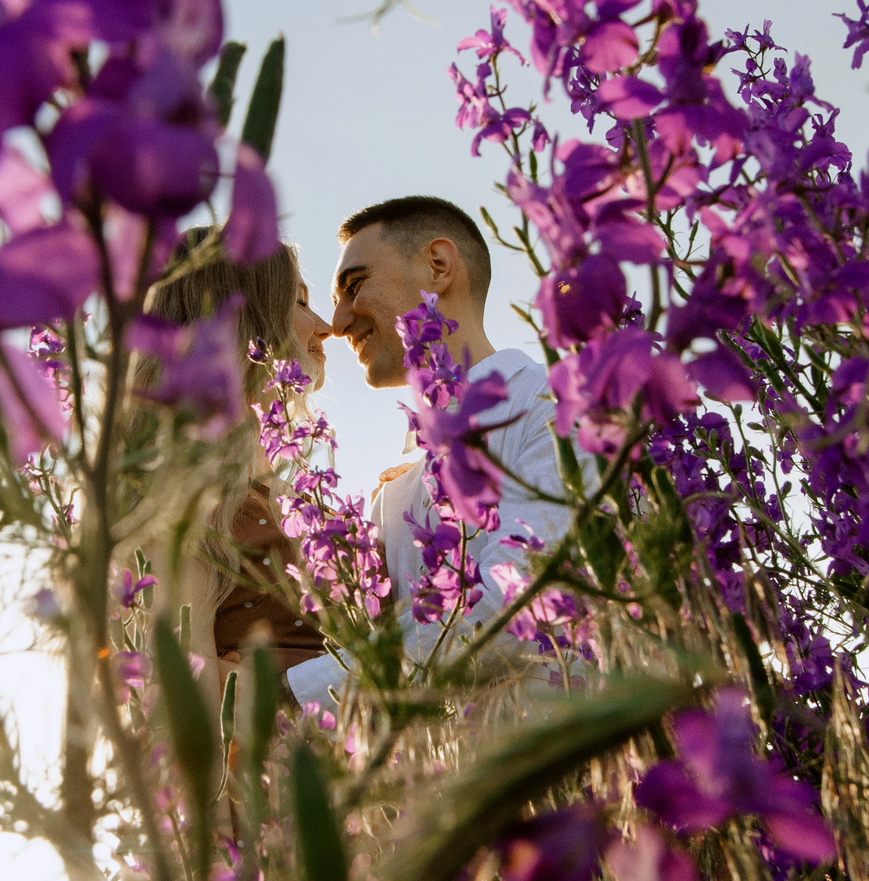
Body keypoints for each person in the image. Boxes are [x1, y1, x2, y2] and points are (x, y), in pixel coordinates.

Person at [284, 195, 570, 710]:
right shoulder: (393, 495)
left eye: (354, 286)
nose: (339, 320)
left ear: (438, 267)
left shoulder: (549, 412)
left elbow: (519, 603)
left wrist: (298, 695)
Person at [139, 229, 335, 676]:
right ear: (244, 325)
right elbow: (181, 700)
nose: (326, 327)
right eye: (299, 304)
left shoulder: (283, 495)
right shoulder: (185, 502)